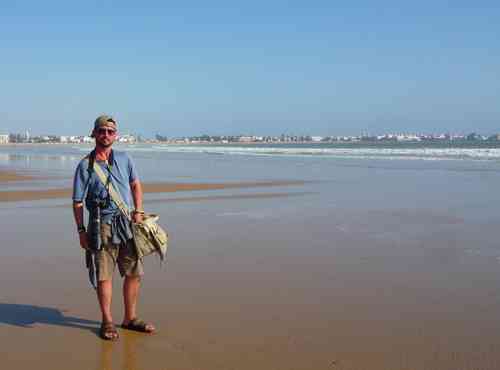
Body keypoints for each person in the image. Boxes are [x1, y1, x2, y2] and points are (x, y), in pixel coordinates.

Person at [72, 115, 155, 340]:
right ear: (94, 134)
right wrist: (81, 230)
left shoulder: (125, 158)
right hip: (101, 227)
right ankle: (107, 321)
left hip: (127, 223)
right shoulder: (84, 166)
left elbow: (135, 184)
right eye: (101, 131)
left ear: (115, 135)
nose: (106, 135)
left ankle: (130, 318)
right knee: (104, 276)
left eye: (110, 131)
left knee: (134, 272)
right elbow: (78, 202)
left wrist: (138, 210)